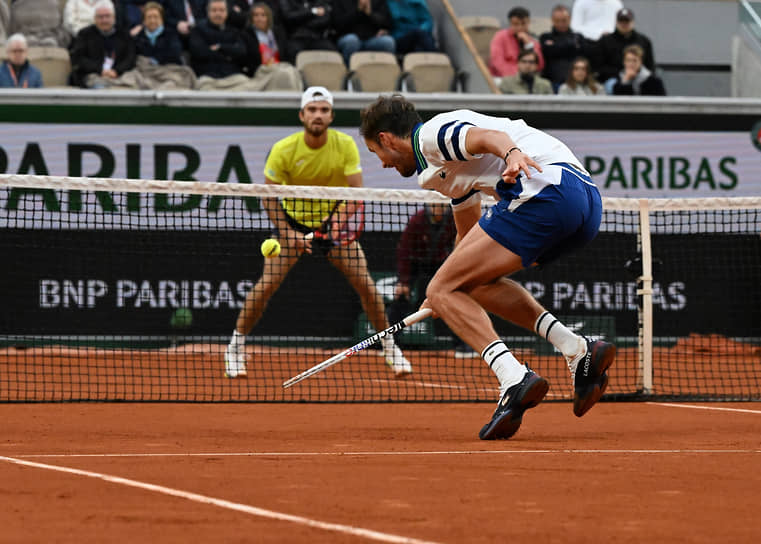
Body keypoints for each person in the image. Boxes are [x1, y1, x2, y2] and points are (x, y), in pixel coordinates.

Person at [359, 94, 616, 440]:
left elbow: (488, 139)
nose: (384, 164)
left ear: (386, 139)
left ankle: (513, 377)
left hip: (546, 191)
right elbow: (466, 237)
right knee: (469, 284)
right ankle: (577, 348)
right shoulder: (437, 173)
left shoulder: (431, 136)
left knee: (443, 287)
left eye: (378, 154)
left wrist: (511, 156)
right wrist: (446, 295)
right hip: (583, 204)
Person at [224, 87, 412, 379]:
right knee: (266, 285)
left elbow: (355, 193)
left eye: (324, 110)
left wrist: (333, 227)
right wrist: (288, 234)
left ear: (331, 116)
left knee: (366, 286)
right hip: (293, 226)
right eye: (312, 110)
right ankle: (235, 347)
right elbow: (268, 196)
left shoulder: (346, 145)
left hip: (332, 227)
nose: (318, 115)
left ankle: (388, 346)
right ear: (302, 115)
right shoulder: (284, 149)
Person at [69, 0, 136, 88]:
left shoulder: (124, 35)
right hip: (93, 75)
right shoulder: (84, 34)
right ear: (95, 19)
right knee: (96, 84)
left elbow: (130, 58)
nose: (104, 20)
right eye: (100, 17)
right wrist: (101, 70)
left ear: (114, 18)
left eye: (107, 16)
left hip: (119, 74)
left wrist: (116, 71)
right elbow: (79, 58)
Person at [240, 1, 303, 89]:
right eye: (256, 15)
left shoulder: (278, 33)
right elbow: (248, 61)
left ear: (268, 18)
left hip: (279, 66)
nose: (259, 18)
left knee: (292, 71)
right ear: (251, 18)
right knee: (286, 73)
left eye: (263, 15)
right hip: (262, 71)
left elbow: (285, 54)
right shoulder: (246, 35)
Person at [188, 0, 247, 78]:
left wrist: (220, 47)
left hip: (233, 76)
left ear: (227, 12)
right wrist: (228, 55)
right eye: (214, 10)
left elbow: (242, 51)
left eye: (221, 10)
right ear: (208, 12)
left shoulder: (233, 31)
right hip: (207, 77)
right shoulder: (198, 30)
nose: (218, 13)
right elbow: (199, 52)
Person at [597, 8, 655, 84]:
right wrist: (623, 74)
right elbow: (600, 67)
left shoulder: (644, 41)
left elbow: (650, 66)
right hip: (613, 80)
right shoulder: (605, 41)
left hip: (640, 79)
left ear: (633, 22)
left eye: (627, 21)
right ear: (616, 22)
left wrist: (635, 73)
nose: (624, 24)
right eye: (621, 21)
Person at [539, 4, 587, 92]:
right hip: (553, 82)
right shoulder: (545, 37)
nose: (561, 24)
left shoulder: (578, 37)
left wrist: (555, 46)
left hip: (576, 83)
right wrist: (571, 46)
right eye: (557, 21)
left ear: (569, 19)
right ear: (552, 20)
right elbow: (548, 52)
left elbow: (583, 55)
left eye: (564, 20)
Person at [332, 0, 396, 66]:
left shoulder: (378, 1)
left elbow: (387, 23)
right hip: (347, 37)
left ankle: (384, 73)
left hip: (372, 39)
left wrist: (370, 14)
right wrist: (358, 11)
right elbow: (338, 25)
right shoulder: (340, 1)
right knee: (352, 41)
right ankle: (349, 73)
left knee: (388, 42)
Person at [488, 6, 544, 78]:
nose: (520, 28)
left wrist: (529, 45)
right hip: (504, 79)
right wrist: (518, 76)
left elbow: (540, 65)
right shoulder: (500, 37)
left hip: (528, 79)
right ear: (510, 24)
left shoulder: (533, 41)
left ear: (529, 22)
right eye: (516, 24)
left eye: (523, 24)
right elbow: (497, 63)